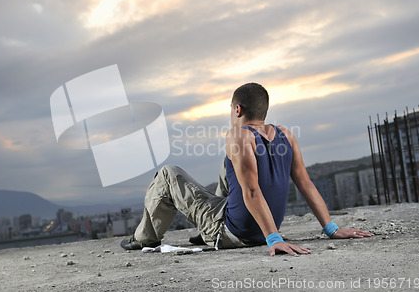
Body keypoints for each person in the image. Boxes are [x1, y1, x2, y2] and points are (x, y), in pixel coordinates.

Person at [121, 83, 373, 255]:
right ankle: (205, 230)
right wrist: (331, 229)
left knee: (168, 173)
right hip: (261, 227)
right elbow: (305, 184)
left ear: (237, 109)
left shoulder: (238, 135)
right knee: (230, 163)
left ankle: (145, 238)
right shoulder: (286, 134)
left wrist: (275, 240)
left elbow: (252, 191)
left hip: (234, 233)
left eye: (231, 109)